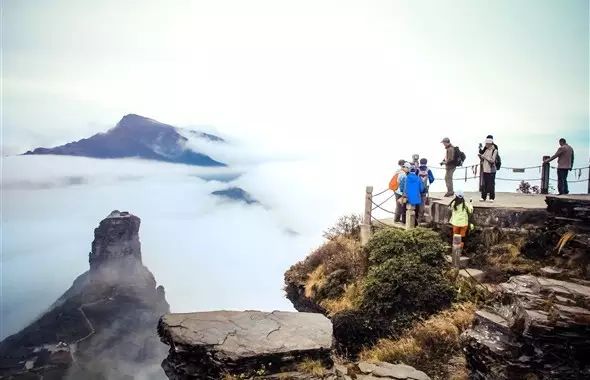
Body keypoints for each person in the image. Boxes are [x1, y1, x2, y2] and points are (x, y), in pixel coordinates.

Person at [478, 137, 498, 202]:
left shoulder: (494, 150)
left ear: (490, 144)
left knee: (491, 184)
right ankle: (483, 197)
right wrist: (480, 156)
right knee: (485, 184)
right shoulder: (486, 150)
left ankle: (491, 197)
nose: (485, 145)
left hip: (491, 170)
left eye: (486, 144)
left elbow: (492, 160)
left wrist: (484, 157)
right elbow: (483, 157)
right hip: (485, 169)